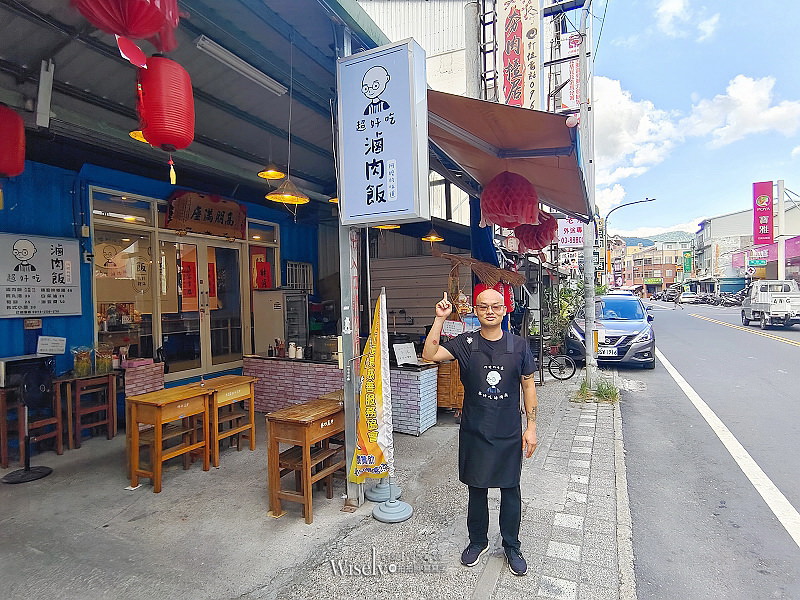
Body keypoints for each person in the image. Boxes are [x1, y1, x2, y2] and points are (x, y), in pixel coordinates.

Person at [422, 290, 538, 577]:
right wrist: (440, 318)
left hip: (508, 431)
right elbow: (430, 354)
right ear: (476, 310)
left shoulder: (519, 346)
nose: (490, 311)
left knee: (511, 489)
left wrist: (532, 428)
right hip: (475, 429)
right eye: (484, 307)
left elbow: (529, 387)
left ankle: (512, 545)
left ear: (504, 309)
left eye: (496, 306)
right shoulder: (466, 343)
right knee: (477, 487)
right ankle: (478, 542)